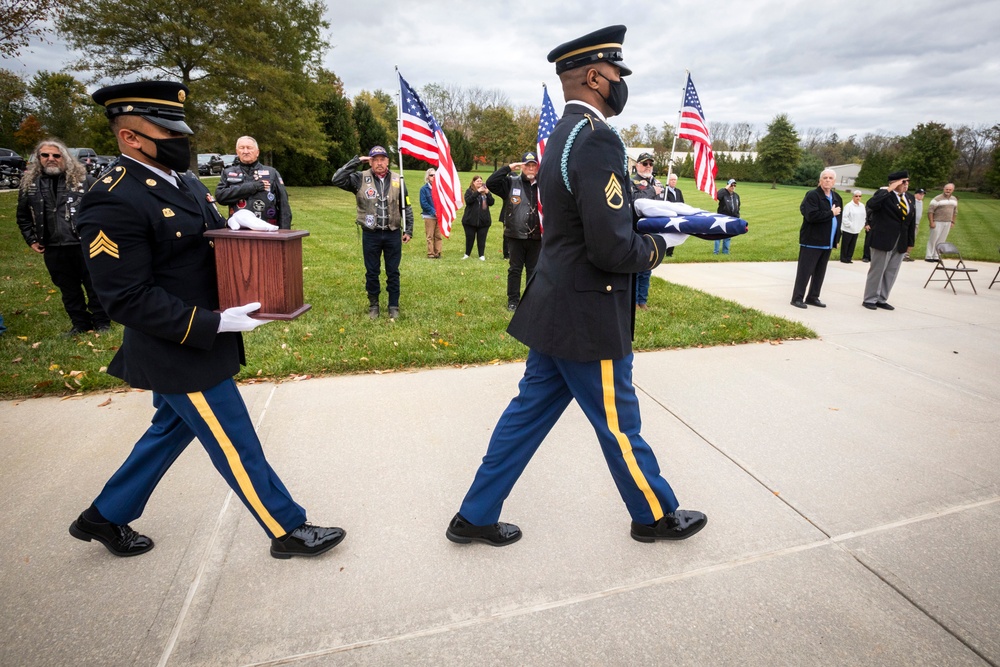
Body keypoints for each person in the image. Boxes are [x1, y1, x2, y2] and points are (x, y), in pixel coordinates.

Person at [446, 25, 707, 548]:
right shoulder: (598, 138)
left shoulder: (561, 136)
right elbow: (610, 248)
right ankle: (654, 515)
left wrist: (635, 214)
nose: (619, 84)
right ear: (594, 76)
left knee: (525, 417)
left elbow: (582, 218)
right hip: (589, 312)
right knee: (619, 423)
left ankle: (473, 516)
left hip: (554, 304)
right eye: (615, 74)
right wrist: (662, 244)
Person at [70, 81, 344, 560]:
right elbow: (125, 297)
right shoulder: (112, 198)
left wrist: (229, 226)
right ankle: (287, 529)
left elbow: (193, 239)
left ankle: (104, 515)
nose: (181, 139)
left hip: (202, 341)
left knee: (169, 432)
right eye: (167, 130)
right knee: (236, 442)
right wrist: (214, 324)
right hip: (178, 349)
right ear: (131, 137)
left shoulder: (184, 179)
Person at [16, 138, 111, 335]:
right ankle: (80, 324)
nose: (51, 159)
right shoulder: (29, 184)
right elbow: (22, 216)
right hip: (53, 246)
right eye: (45, 155)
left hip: (83, 243)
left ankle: (102, 322)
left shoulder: (85, 181)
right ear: (38, 158)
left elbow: (104, 210)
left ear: (65, 157)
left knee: (94, 285)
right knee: (68, 289)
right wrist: (31, 239)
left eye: (56, 155)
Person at [331, 146, 414, 320]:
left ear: (388, 161)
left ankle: (393, 305)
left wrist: (408, 229)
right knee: (372, 271)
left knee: (393, 271)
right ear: (369, 161)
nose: (379, 163)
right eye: (375, 159)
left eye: (382, 159)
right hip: (371, 234)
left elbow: (406, 206)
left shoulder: (399, 180)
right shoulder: (360, 178)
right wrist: (355, 162)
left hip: (392, 233)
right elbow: (337, 179)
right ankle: (374, 305)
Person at [487, 151, 541, 311]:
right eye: (527, 165)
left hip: (537, 236)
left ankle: (530, 300)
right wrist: (509, 167)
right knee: (515, 269)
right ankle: (513, 300)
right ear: (522, 166)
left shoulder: (543, 185)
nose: (530, 169)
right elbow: (491, 183)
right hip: (515, 234)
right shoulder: (511, 183)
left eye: (534, 166)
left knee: (533, 270)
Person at [862, 170, 915, 310]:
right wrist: (889, 189)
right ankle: (870, 298)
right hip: (883, 238)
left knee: (891, 271)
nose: (906, 185)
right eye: (904, 182)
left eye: (908, 182)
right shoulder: (884, 195)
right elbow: (871, 205)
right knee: (878, 270)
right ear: (894, 182)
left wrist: (910, 242)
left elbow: (910, 221)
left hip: (900, 240)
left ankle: (882, 298)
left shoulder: (909, 198)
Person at [214, 136, 292, 229]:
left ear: (257, 152)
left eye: (249, 148)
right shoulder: (228, 173)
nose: (246, 151)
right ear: (237, 151)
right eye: (242, 148)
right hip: (239, 230)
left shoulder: (271, 173)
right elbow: (220, 197)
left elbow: (284, 205)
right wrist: (252, 187)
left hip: (268, 229)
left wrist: (284, 232)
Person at [791, 168, 842, 308]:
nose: (827, 180)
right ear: (820, 181)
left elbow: (839, 219)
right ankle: (797, 298)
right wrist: (830, 213)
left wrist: (837, 238)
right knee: (805, 272)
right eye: (824, 177)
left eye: (830, 178)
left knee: (820, 272)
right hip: (812, 241)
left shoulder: (837, 198)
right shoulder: (812, 195)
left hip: (827, 242)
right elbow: (811, 216)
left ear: (834, 181)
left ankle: (813, 297)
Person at [629, 152, 663, 310]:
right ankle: (633, 300)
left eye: (650, 164)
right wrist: (652, 192)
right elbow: (634, 199)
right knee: (637, 267)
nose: (648, 166)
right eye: (645, 163)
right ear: (637, 166)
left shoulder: (656, 183)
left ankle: (642, 300)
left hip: (653, 229)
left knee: (648, 266)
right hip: (637, 229)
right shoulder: (632, 181)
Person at [461, 175, 494, 260]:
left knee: (482, 238)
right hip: (470, 220)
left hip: (484, 221)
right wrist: (478, 192)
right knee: (470, 238)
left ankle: (481, 255)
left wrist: (488, 193)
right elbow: (468, 201)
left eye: (480, 181)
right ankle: (467, 254)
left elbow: (491, 202)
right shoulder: (469, 191)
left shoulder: (485, 193)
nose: (479, 182)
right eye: (477, 181)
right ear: (473, 182)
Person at [925, 183, 958, 262]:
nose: (948, 191)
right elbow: (930, 211)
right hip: (937, 221)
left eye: (950, 190)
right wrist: (931, 222)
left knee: (942, 240)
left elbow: (955, 211)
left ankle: (936, 256)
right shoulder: (937, 199)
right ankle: (929, 256)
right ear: (944, 189)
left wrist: (953, 222)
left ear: (952, 190)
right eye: (946, 189)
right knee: (933, 239)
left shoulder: (954, 199)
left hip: (948, 222)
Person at [419, 168, 442, 259]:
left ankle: (438, 252)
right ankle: (431, 253)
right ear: (428, 177)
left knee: (438, 235)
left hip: (439, 215)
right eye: (431, 175)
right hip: (429, 216)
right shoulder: (424, 189)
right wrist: (433, 211)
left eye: (435, 175)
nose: (433, 177)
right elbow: (423, 203)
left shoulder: (439, 188)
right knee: (430, 235)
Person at [715, 179, 740, 254]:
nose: (733, 187)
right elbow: (717, 196)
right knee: (718, 235)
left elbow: (737, 207)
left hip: (731, 218)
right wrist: (725, 188)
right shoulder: (723, 194)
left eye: (734, 185)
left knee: (727, 236)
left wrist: (737, 217)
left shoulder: (736, 196)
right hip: (722, 217)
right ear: (728, 185)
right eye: (731, 185)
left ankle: (725, 252)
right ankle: (716, 251)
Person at [840, 190, 865, 263]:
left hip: (856, 229)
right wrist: (849, 225)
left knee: (852, 244)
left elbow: (863, 216)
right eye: (856, 196)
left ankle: (849, 257)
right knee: (846, 244)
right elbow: (845, 217)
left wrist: (861, 225)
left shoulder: (862, 206)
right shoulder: (849, 206)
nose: (858, 198)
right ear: (853, 197)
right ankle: (843, 258)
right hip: (848, 229)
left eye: (859, 196)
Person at [903, 188, 925, 261]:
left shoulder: (921, 202)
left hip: (916, 223)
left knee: (912, 239)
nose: (921, 196)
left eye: (923, 194)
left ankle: (907, 254)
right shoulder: (912, 201)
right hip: (910, 223)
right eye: (920, 194)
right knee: (906, 238)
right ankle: (903, 254)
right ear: (916, 194)